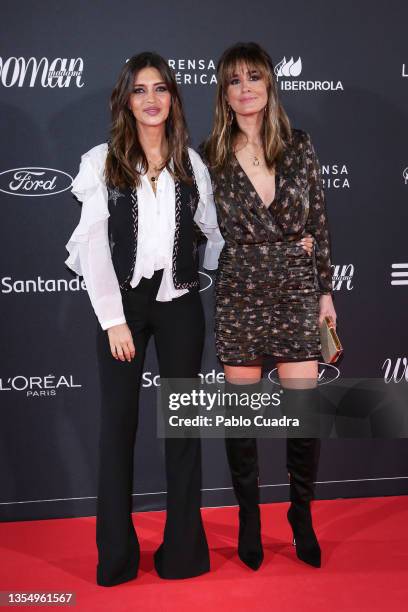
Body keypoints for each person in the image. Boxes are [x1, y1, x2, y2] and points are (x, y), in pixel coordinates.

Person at [65, 52, 224, 586]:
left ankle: (183, 553)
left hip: (180, 302)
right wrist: (113, 320)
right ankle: (116, 558)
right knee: (118, 429)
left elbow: (211, 233)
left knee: (183, 431)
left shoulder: (192, 164)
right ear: (125, 100)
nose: (152, 99)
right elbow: (92, 249)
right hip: (124, 305)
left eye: (161, 89)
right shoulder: (101, 161)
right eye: (140, 90)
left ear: (174, 98)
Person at [201, 42, 337, 570]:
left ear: (269, 84)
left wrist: (325, 290)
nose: (245, 88)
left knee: (302, 414)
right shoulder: (210, 154)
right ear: (225, 93)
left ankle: (300, 515)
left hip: (297, 291)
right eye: (234, 80)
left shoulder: (299, 146)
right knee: (243, 416)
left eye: (253, 77)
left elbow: (319, 222)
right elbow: (199, 227)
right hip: (240, 291)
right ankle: (250, 518)